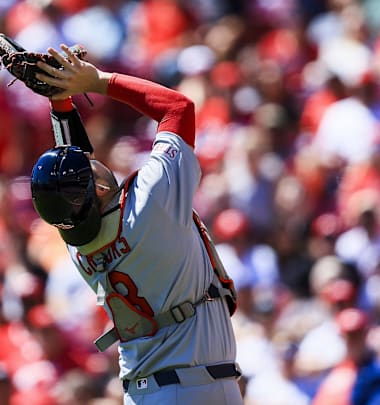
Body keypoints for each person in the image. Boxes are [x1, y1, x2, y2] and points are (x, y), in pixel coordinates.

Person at [25, 44, 244, 404]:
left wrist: (60, 100)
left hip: (149, 391)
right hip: (191, 388)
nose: (92, 160)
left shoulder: (77, 241)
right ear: (95, 187)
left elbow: (77, 164)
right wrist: (97, 80)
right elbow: (178, 108)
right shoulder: (149, 203)